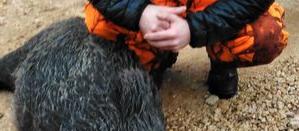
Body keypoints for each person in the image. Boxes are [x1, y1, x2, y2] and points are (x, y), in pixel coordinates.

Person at [85, 0, 288, 99]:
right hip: (153, 7)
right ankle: (157, 56)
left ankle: (222, 58)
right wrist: (140, 12)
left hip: (208, 6)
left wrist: (195, 28)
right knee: (102, 26)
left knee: (265, 33)